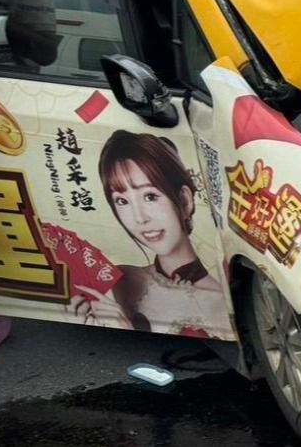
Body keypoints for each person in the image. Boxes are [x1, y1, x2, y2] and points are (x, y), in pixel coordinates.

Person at [71, 130, 228, 338]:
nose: (139, 218)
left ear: (184, 200)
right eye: (122, 201)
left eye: (150, 196)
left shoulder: (223, 297)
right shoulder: (120, 281)